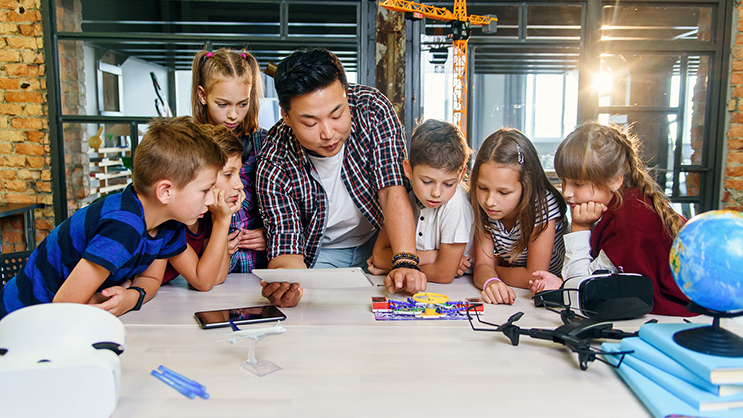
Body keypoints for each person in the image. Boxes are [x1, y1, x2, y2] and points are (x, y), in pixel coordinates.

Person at [0, 117, 226, 318]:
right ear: (165, 192)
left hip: (59, 319)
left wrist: (131, 297)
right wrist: (110, 298)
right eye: (205, 190)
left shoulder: (168, 224)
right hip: (20, 321)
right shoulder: (123, 225)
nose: (209, 200)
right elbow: (65, 305)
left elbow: (151, 280)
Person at [256, 48, 426, 307]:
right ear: (286, 116)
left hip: (377, 243)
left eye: (337, 115)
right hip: (317, 255)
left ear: (346, 95)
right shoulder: (274, 156)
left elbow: (392, 189)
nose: (327, 133)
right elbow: (286, 242)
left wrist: (405, 261)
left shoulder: (373, 109)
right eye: (311, 123)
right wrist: (287, 283)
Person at [529, 122, 693, 316]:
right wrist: (563, 284)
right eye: (563, 181)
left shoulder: (628, 223)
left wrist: (580, 227)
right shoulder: (626, 201)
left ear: (615, 181)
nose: (567, 193)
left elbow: (583, 292)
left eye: (578, 184)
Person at [367, 119, 474, 283]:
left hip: (458, 289)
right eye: (426, 181)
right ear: (408, 169)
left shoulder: (456, 203)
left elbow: (444, 275)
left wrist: (394, 268)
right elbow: (379, 256)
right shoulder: (404, 197)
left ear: (461, 175)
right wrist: (433, 256)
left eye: (448, 184)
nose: (436, 193)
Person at [469, 128, 568, 305]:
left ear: (526, 186)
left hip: (551, 295)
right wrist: (491, 282)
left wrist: (493, 270)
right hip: (519, 290)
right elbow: (483, 266)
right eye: (483, 188)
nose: (490, 201)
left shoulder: (543, 205)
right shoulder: (483, 206)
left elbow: (533, 275)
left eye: (503, 192)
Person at [191, 48, 267, 273]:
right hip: (207, 264)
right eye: (223, 105)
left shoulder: (263, 142)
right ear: (202, 95)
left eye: (242, 104)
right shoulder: (188, 145)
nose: (233, 115)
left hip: (259, 267)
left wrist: (272, 234)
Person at [162, 125, 247, 290]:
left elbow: (218, 276)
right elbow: (203, 282)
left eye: (239, 173)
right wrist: (223, 220)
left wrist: (219, 218)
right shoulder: (174, 218)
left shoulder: (206, 215)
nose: (239, 185)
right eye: (228, 174)